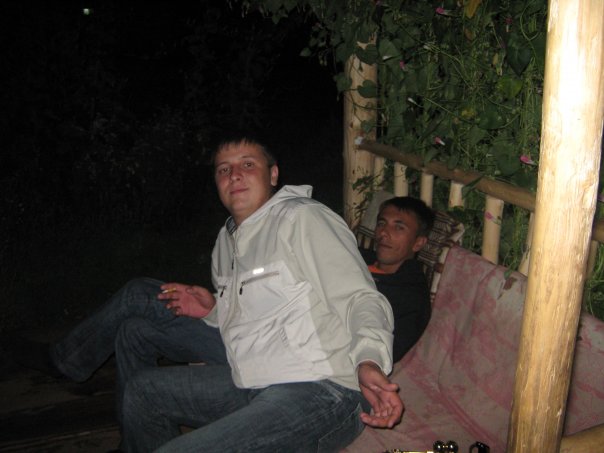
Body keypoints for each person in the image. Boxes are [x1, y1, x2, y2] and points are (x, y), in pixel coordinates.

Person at [15, 134, 403, 452]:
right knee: (141, 391)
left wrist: (369, 359)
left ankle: (65, 361)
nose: (234, 175)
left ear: (273, 174)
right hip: (253, 379)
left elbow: (361, 298)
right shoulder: (226, 242)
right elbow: (254, 315)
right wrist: (213, 310)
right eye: (223, 169)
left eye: (247, 165)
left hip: (323, 391)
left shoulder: (302, 218)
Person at [362, 196, 434, 361]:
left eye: (399, 227)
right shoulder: (354, 257)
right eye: (381, 223)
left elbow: (384, 354)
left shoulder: (410, 298)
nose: (383, 233)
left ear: (418, 243)